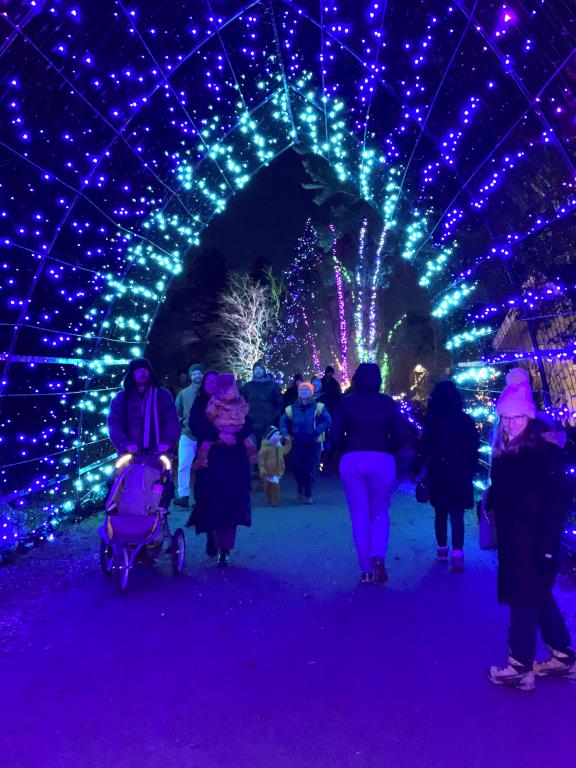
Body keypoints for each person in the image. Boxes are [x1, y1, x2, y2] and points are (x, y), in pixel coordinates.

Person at [487, 369, 574, 690]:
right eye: (506, 418)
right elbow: (507, 490)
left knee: (523, 598)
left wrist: (548, 544)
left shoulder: (540, 452)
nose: (511, 424)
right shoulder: (508, 450)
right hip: (517, 538)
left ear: (529, 415)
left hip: (535, 539)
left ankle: (520, 665)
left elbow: (556, 500)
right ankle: (563, 656)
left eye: (518, 417)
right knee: (537, 595)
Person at [331, 363, 410, 584]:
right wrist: (389, 447)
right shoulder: (387, 403)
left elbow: (335, 435)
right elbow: (402, 434)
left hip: (352, 458)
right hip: (382, 459)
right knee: (380, 511)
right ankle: (379, 555)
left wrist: (343, 447)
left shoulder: (346, 403)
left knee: (359, 514)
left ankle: (365, 568)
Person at [189, 372, 253, 567]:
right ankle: (212, 533)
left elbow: (247, 421)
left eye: (213, 381)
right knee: (211, 500)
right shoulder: (201, 404)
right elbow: (196, 425)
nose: (210, 384)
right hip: (211, 461)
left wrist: (237, 435)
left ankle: (225, 548)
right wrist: (219, 434)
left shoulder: (238, 400)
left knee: (231, 503)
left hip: (234, 457)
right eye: (207, 381)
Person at [414, 380, 479, 571]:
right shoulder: (466, 421)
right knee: (457, 513)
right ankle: (458, 553)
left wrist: (418, 467)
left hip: (439, 471)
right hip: (460, 472)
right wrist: (470, 469)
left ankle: (442, 550)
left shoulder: (433, 421)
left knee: (440, 512)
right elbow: (473, 447)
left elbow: (425, 446)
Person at [107, 358, 180, 458]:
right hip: (129, 454)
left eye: (145, 369)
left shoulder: (162, 395)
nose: (142, 372)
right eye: (138, 369)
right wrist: (124, 443)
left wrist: (167, 442)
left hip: (157, 453)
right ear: (132, 373)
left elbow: (171, 421)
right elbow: (114, 424)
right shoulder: (121, 398)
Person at [280, 382, 331, 504]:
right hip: (296, 442)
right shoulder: (291, 408)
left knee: (309, 468)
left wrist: (317, 431)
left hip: (313, 442)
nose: (304, 392)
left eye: (306, 390)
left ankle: (308, 493)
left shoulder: (319, 407)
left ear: (311, 392)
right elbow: (283, 422)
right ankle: (300, 489)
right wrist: (285, 433)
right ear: (298, 392)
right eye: (301, 390)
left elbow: (327, 420)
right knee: (297, 468)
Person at [194, 374, 257, 468]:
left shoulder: (217, 397)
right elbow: (245, 410)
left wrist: (210, 416)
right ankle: (253, 455)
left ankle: (202, 460)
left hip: (221, 426)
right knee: (247, 441)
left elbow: (210, 412)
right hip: (237, 426)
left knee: (206, 444)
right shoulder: (238, 397)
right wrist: (240, 417)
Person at [174, 363, 204, 507]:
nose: (197, 376)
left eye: (199, 373)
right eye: (194, 373)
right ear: (190, 376)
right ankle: (183, 495)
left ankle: (201, 497)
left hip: (205, 436)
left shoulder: (209, 393)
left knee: (204, 468)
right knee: (183, 465)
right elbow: (176, 412)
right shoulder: (183, 393)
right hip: (187, 434)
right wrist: (183, 422)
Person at [241, 361, 283, 448]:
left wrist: (274, 415)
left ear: (264, 370)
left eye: (260, 368)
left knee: (267, 451)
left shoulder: (272, 386)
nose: (258, 371)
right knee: (252, 451)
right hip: (251, 424)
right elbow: (242, 402)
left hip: (267, 424)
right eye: (256, 369)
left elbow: (279, 402)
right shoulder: (247, 386)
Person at [258, 426, 292, 507]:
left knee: (275, 486)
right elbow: (261, 460)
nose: (279, 436)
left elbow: (285, 451)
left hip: (277, 470)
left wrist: (288, 442)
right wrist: (262, 468)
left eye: (279, 434)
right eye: (276, 435)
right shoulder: (264, 449)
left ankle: (274, 500)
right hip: (267, 471)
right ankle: (269, 497)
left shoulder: (279, 447)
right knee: (266, 486)